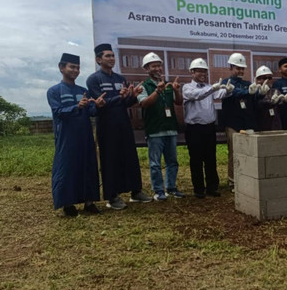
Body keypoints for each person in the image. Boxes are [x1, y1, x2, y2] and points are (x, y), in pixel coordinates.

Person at [86, 43, 152, 209]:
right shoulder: (93, 79)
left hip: (124, 124)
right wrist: (119, 97)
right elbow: (100, 103)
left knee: (130, 158)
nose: (111, 58)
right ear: (98, 59)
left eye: (113, 55)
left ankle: (136, 192)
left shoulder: (120, 79)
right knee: (110, 160)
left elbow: (125, 103)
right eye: (107, 56)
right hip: (107, 127)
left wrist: (133, 96)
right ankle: (112, 196)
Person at [47, 53, 106, 217]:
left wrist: (98, 105)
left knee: (88, 165)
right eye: (72, 67)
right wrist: (76, 106)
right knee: (67, 168)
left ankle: (89, 201)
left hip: (85, 135)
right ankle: (68, 203)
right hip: (66, 137)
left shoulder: (83, 91)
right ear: (61, 68)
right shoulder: (54, 91)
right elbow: (58, 112)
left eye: (78, 67)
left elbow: (91, 112)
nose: (75, 70)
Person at [183, 58, 232, 198]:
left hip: (209, 128)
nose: (203, 73)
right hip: (194, 129)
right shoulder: (187, 88)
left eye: (205, 71)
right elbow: (196, 96)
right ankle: (198, 189)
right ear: (192, 72)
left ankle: (212, 187)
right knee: (196, 159)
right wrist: (212, 88)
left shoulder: (208, 87)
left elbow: (219, 94)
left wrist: (228, 90)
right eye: (199, 70)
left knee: (211, 158)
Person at [138, 52, 184, 201]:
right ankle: (158, 190)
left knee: (172, 161)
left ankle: (171, 188)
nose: (158, 68)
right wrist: (157, 91)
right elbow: (144, 103)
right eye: (154, 66)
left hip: (170, 128)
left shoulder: (168, 84)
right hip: (155, 130)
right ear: (146, 69)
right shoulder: (143, 86)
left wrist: (176, 91)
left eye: (159, 65)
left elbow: (178, 102)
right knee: (155, 163)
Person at [221, 52, 256, 189]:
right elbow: (234, 93)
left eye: (242, 68)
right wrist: (248, 92)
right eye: (238, 68)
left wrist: (260, 92)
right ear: (231, 67)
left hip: (246, 122)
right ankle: (232, 181)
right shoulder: (226, 83)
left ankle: (247, 178)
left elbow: (254, 97)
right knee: (233, 152)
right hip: (231, 123)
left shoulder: (247, 84)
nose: (241, 71)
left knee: (249, 152)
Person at [253, 65, 281, 131]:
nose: (267, 80)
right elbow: (259, 104)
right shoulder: (254, 93)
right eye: (264, 78)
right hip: (261, 127)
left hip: (275, 126)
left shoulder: (275, 91)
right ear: (257, 79)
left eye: (269, 78)